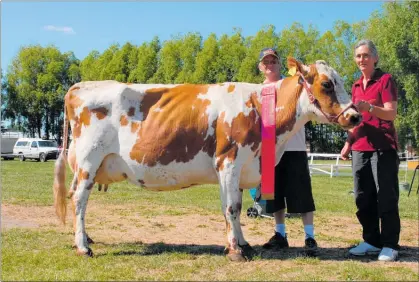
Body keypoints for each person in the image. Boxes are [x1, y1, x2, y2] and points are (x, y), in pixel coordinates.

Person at [340, 39, 400, 262]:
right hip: (360, 148)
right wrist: (348, 143)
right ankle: (371, 241)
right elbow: (356, 121)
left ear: (375, 58)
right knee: (362, 197)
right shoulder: (355, 86)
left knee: (386, 196)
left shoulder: (385, 80)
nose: (361, 60)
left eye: (366, 55)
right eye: (358, 56)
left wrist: (370, 108)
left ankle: (390, 244)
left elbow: (390, 113)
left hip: (383, 147)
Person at [258, 48, 318, 255]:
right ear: (260, 66)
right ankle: (280, 234)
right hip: (268, 150)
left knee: (302, 194)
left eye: (273, 61)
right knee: (273, 196)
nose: (270, 64)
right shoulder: (257, 91)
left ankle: (310, 237)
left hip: (294, 146)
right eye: (266, 61)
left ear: (280, 64)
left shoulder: (293, 84)